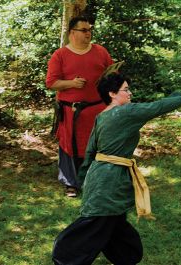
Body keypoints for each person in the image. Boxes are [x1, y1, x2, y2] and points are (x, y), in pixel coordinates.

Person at [51, 72, 181, 265]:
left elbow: (91, 151)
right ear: (112, 93)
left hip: (101, 177)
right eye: (126, 90)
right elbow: (155, 107)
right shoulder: (125, 112)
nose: (130, 93)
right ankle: (64, 257)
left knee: (115, 224)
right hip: (107, 181)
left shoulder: (103, 115)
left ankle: (126, 258)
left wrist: (85, 179)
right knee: (95, 224)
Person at [46, 16, 114, 197]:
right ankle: (71, 184)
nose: (88, 33)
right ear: (72, 33)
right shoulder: (59, 55)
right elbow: (51, 83)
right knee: (69, 146)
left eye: (90, 30)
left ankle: (96, 181)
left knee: (97, 146)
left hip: (98, 109)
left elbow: (113, 74)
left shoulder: (100, 51)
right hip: (71, 111)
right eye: (84, 30)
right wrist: (71, 84)